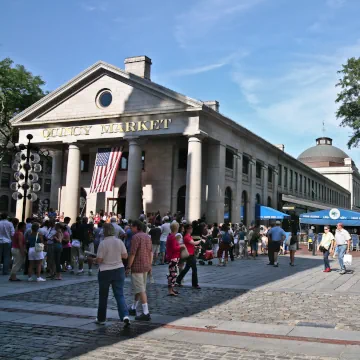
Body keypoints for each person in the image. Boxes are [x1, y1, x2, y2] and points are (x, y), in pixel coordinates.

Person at [95, 223, 130, 327]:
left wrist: (94, 259)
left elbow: (100, 260)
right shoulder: (119, 241)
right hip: (119, 269)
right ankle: (125, 315)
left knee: (103, 296)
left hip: (105, 270)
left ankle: (101, 318)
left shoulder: (103, 243)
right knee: (119, 294)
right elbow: (125, 256)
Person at [126, 220, 153, 321]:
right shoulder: (147, 237)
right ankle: (133, 307)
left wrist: (128, 267)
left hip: (137, 266)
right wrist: (150, 265)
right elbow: (151, 252)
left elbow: (132, 253)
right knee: (140, 287)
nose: (130, 228)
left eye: (132, 226)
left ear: (136, 227)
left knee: (141, 289)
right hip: (146, 265)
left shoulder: (135, 237)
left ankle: (146, 312)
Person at [176, 224, 202, 289]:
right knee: (194, 269)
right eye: (190, 228)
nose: (191, 229)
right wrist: (200, 241)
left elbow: (191, 244)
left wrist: (196, 247)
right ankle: (195, 284)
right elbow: (193, 243)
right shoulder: (187, 237)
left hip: (191, 253)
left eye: (191, 228)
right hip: (189, 255)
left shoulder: (189, 236)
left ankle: (178, 280)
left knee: (186, 269)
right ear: (187, 229)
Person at [166, 221, 185, 296]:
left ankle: (172, 289)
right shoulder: (173, 237)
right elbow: (174, 248)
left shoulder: (170, 236)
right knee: (173, 274)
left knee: (172, 273)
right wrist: (181, 246)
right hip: (173, 257)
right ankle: (170, 290)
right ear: (176, 228)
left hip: (172, 256)